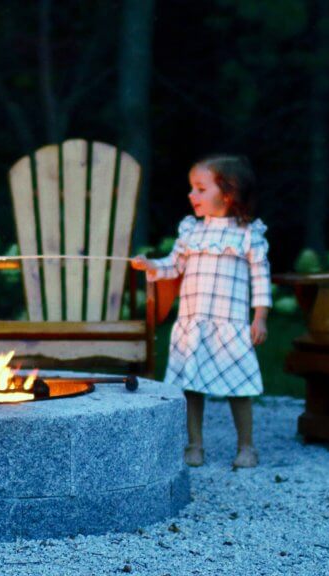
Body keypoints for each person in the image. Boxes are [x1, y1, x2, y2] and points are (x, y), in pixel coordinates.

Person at [131, 155, 270, 469]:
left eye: (200, 188)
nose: (192, 195)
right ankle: (195, 445)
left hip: (230, 325)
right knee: (191, 386)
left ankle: (246, 447)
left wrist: (259, 316)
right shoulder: (192, 232)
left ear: (228, 193)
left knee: (239, 388)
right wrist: (151, 265)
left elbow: (260, 278)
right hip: (193, 323)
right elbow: (173, 265)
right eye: (192, 188)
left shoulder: (247, 234)